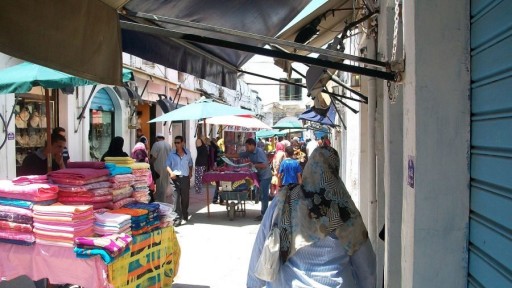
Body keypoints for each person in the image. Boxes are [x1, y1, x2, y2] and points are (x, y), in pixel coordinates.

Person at [247, 146, 376, 287]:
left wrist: (253, 284)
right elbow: (367, 270)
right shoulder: (346, 212)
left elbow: (260, 246)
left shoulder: (285, 200)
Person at [225, 138, 272, 221]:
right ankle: (263, 213)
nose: (246, 148)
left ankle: (264, 215)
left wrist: (253, 165)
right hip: (259, 175)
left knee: (264, 196)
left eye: (247, 146)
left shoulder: (259, 152)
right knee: (261, 195)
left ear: (252, 145)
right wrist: (227, 156)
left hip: (265, 176)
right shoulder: (249, 152)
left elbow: (264, 165)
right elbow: (239, 155)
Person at [166, 135, 193, 227]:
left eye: (178, 142)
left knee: (185, 198)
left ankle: (185, 212)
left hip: (185, 178)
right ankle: (177, 218)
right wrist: (171, 173)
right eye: (175, 143)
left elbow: (190, 163)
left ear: (182, 143)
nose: (176, 144)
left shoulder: (188, 153)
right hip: (174, 179)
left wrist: (190, 172)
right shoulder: (171, 154)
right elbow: (167, 165)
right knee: (176, 199)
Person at [150, 133, 172, 203]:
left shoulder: (156, 144)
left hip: (158, 168)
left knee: (158, 185)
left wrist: (150, 163)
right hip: (167, 167)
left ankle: (159, 201)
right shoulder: (168, 145)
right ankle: (163, 201)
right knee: (164, 185)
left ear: (157, 138)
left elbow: (154, 157)